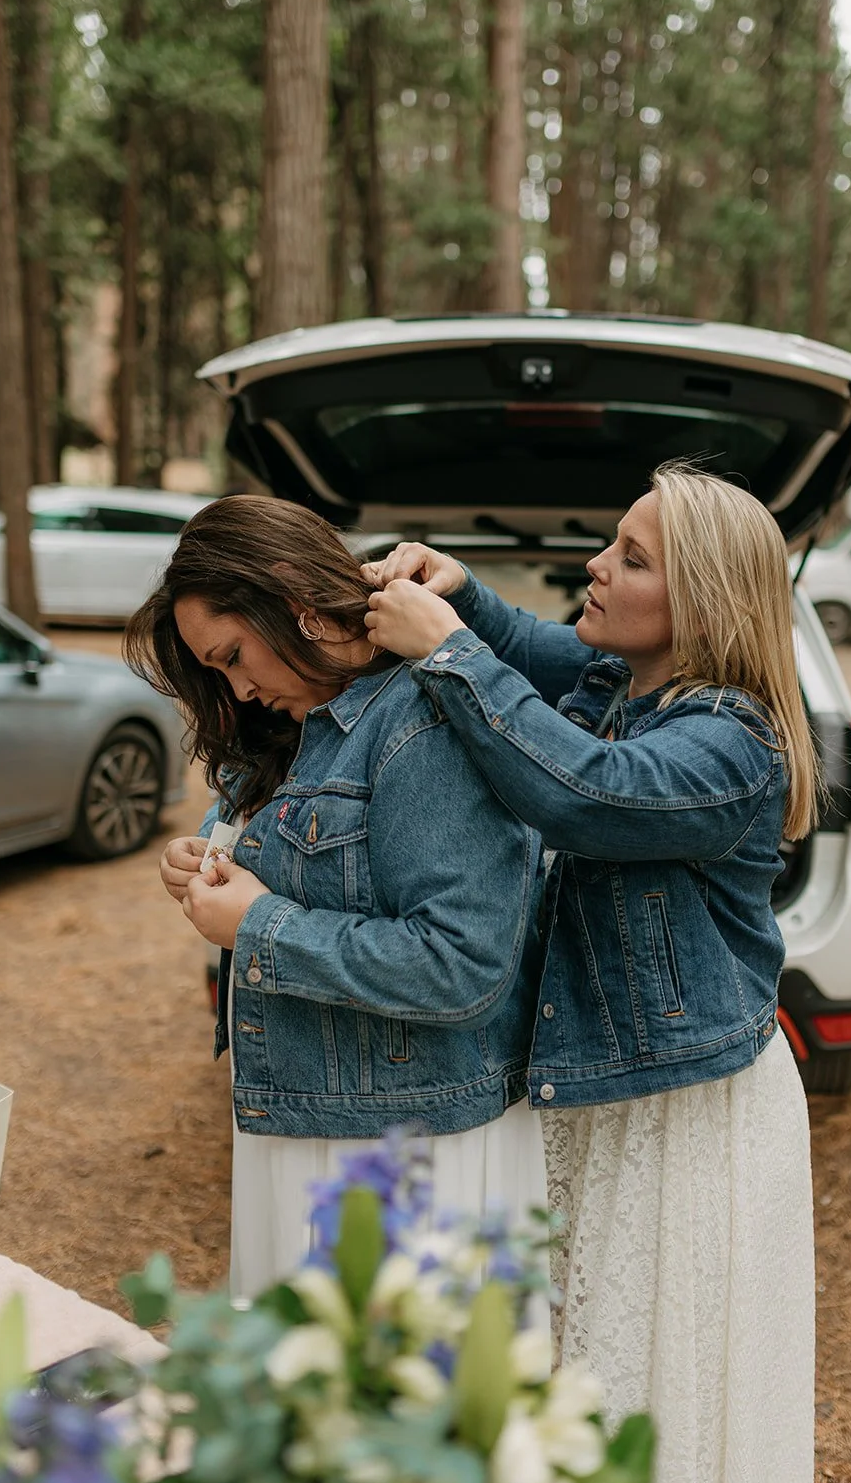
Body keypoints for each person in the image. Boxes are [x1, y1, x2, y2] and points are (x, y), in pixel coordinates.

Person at [362, 462, 817, 1483]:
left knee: (652, 1388)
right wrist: (467, 599)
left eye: (629, 556)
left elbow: (578, 791)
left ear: (699, 603)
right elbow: (544, 652)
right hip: (612, 1091)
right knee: (580, 1372)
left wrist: (446, 648)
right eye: (610, 544)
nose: (593, 567)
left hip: (691, 1112)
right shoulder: (629, 681)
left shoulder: (730, 741)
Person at [123, 495, 546, 1304]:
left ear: (295, 603)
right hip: (314, 1123)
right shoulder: (309, 720)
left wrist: (256, 924)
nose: (239, 691)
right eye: (217, 671)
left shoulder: (421, 725)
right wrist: (212, 851)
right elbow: (307, 841)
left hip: (403, 1153)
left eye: (235, 654)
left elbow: (462, 965)